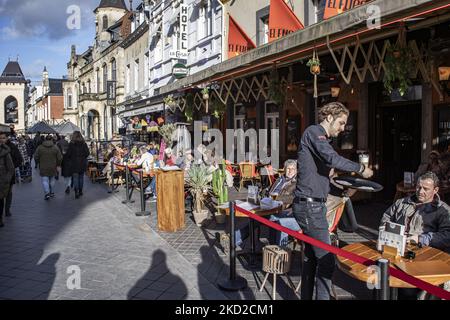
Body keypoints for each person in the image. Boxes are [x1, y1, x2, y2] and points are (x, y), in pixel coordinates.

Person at [293, 102, 373, 300]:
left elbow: (325, 176)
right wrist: (361, 169)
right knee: (327, 260)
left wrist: (345, 188)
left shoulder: (322, 141)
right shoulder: (314, 132)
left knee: (312, 259)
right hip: (309, 207)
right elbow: (332, 159)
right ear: (329, 118)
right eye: (341, 122)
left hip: (314, 205)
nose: (343, 127)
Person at [219, 160, 298, 254]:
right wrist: (263, 194)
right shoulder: (280, 179)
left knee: (257, 219)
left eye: (293, 169)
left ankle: (232, 241)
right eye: (288, 168)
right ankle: (233, 242)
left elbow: (292, 198)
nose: (290, 171)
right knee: (255, 218)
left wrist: (276, 197)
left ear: (296, 170)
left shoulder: (296, 183)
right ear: (284, 169)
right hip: (269, 206)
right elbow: (268, 191)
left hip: (282, 210)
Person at [380, 171, 450, 253]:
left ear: (435, 190)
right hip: (395, 246)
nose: (420, 192)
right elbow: (386, 218)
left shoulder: (442, 210)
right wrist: (387, 233)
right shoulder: (401, 203)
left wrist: (420, 239)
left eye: (426, 189)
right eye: (418, 187)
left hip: (424, 251)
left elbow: (447, 236)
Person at [34, 135, 62, 200]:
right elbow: (60, 157)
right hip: (53, 166)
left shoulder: (40, 147)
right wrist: (58, 164)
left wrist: (38, 162)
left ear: (45, 140)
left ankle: (47, 193)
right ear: (51, 139)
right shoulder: (55, 147)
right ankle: (51, 192)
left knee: (45, 180)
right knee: (52, 180)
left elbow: (36, 156)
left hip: (43, 166)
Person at [66, 131, 90, 199]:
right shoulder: (84, 144)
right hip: (82, 163)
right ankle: (80, 191)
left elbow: (68, 154)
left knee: (76, 178)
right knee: (81, 178)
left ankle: (76, 192)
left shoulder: (71, 144)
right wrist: (83, 156)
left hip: (74, 164)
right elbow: (87, 153)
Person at [5, 134, 23, 216]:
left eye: (3, 138)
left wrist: (11, 167)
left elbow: (19, 159)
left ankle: (7, 210)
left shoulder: (12, 146)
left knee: (8, 192)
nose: (2, 140)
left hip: (9, 174)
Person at [0, 133, 15, 228]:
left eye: (3, 138)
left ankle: (0, 218)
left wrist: (6, 180)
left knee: (0, 201)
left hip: (1, 181)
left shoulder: (5, 152)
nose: (1, 140)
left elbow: (11, 168)